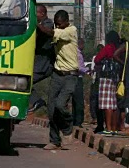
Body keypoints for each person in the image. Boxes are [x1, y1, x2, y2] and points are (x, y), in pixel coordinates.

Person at [41, 10, 79, 150]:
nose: (57, 27)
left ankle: (68, 128)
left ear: (66, 22)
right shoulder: (59, 30)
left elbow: (51, 33)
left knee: (60, 105)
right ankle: (54, 140)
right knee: (51, 109)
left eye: (60, 24)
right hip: (57, 74)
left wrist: (36, 24)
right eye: (56, 24)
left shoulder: (71, 31)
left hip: (70, 76)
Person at [94, 30, 123, 135]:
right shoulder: (119, 48)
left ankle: (108, 128)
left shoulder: (108, 48)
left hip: (106, 77)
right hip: (116, 77)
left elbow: (97, 59)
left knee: (107, 104)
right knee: (114, 104)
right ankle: (115, 128)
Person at [28, 4, 55, 113]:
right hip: (38, 63)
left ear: (42, 13)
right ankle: (36, 101)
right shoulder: (40, 24)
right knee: (23, 82)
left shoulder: (47, 23)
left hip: (43, 64)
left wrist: (34, 23)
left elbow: (47, 31)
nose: (35, 16)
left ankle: (37, 101)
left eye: (36, 14)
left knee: (25, 82)